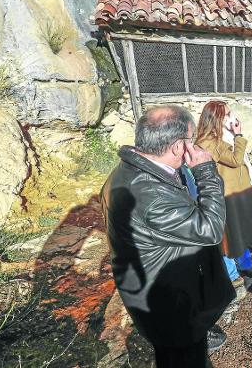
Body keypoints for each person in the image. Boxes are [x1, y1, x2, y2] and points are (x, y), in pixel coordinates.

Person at [100, 105, 234, 367]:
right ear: (177, 147)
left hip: (156, 294)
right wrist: (206, 172)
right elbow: (211, 229)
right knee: (185, 359)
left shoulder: (130, 170)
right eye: (191, 140)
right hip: (172, 307)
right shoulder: (152, 196)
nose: (194, 146)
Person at [196, 101, 252, 280]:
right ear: (215, 118)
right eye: (226, 114)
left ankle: (246, 264)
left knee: (241, 229)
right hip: (227, 194)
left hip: (239, 190)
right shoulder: (208, 141)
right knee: (230, 233)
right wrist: (238, 134)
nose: (231, 118)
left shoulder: (222, 135)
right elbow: (235, 159)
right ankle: (232, 274)